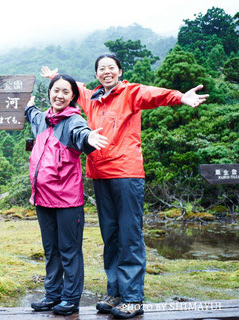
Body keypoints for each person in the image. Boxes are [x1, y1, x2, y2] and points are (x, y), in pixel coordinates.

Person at [41, 55, 208, 319]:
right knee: (111, 236)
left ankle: (132, 298)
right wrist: (54, 77)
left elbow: (154, 95)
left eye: (111, 68)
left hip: (126, 173)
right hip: (100, 174)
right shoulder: (92, 98)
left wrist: (179, 97)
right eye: (101, 69)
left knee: (129, 235)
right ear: (97, 74)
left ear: (119, 71)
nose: (106, 72)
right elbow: (75, 88)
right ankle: (115, 292)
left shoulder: (130, 92)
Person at [25, 74, 108, 316]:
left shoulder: (73, 121)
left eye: (65, 92)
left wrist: (89, 137)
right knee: (51, 249)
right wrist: (28, 105)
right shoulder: (42, 119)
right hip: (42, 198)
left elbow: (82, 134)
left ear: (72, 97)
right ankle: (52, 295)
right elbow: (30, 113)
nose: (59, 95)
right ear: (49, 92)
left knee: (69, 250)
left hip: (67, 201)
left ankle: (70, 299)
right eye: (56, 90)